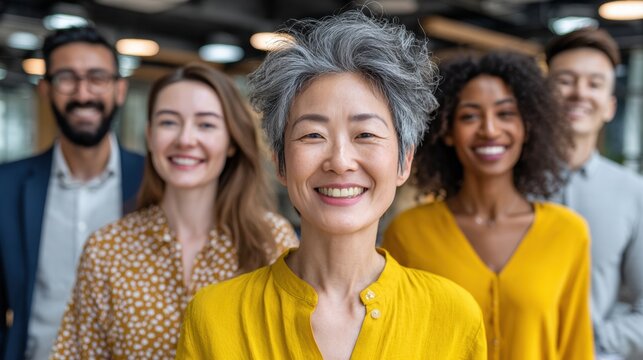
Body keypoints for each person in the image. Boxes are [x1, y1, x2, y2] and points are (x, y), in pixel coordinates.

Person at [176, 11, 486, 359]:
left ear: (405, 161)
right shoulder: (215, 317)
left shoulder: (453, 316)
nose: (340, 161)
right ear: (280, 161)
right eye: (313, 135)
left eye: (365, 134)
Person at [50, 63, 298, 358]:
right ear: (150, 135)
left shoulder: (273, 240)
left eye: (206, 124)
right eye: (169, 122)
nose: (185, 139)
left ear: (231, 140)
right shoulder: (106, 249)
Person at [383, 52, 594, 360]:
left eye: (506, 114)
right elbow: (397, 343)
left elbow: (577, 349)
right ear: (447, 131)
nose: (490, 130)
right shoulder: (409, 233)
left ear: (527, 127)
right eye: (469, 116)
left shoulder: (568, 233)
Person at [0, 26, 144, 360]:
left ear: (120, 89)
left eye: (97, 78)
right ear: (45, 89)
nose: (83, 94)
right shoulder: (6, 186)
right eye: (67, 78)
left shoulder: (155, 182)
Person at [546, 28, 643, 359]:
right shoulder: (502, 184)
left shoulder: (634, 193)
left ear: (610, 106)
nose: (579, 93)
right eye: (565, 80)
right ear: (543, 95)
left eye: (595, 84)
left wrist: (591, 339)